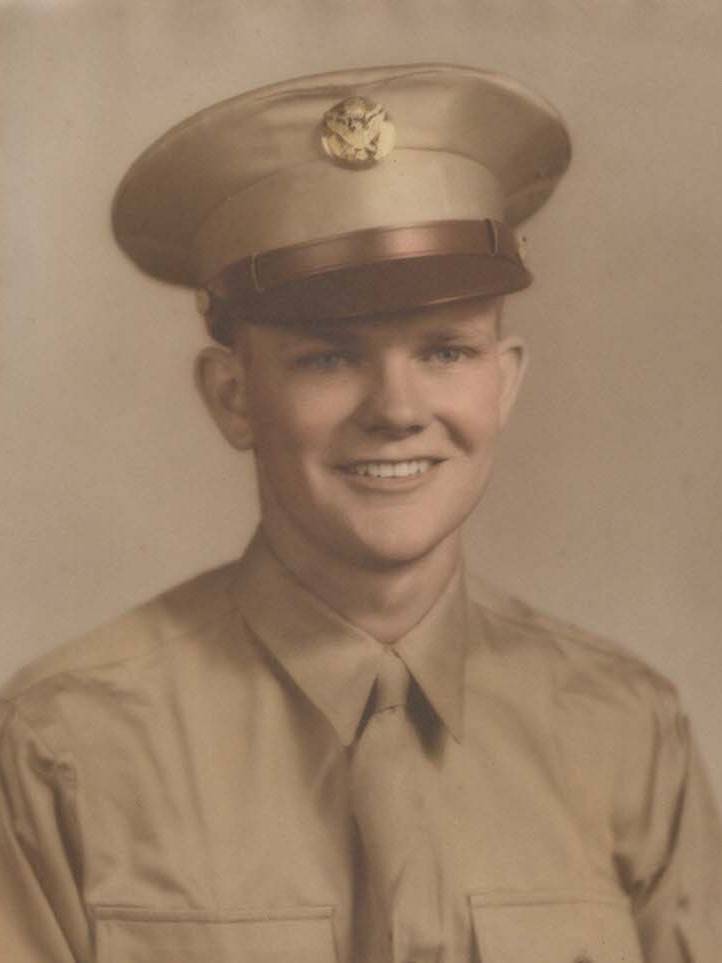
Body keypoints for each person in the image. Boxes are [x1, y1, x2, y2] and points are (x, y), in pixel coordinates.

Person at [0, 63, 719, 963]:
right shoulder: (63, 748)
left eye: (446, 349)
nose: (396, 406)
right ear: (233, 396)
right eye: (328, 358)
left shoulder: (626, 735)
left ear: (504, 382)